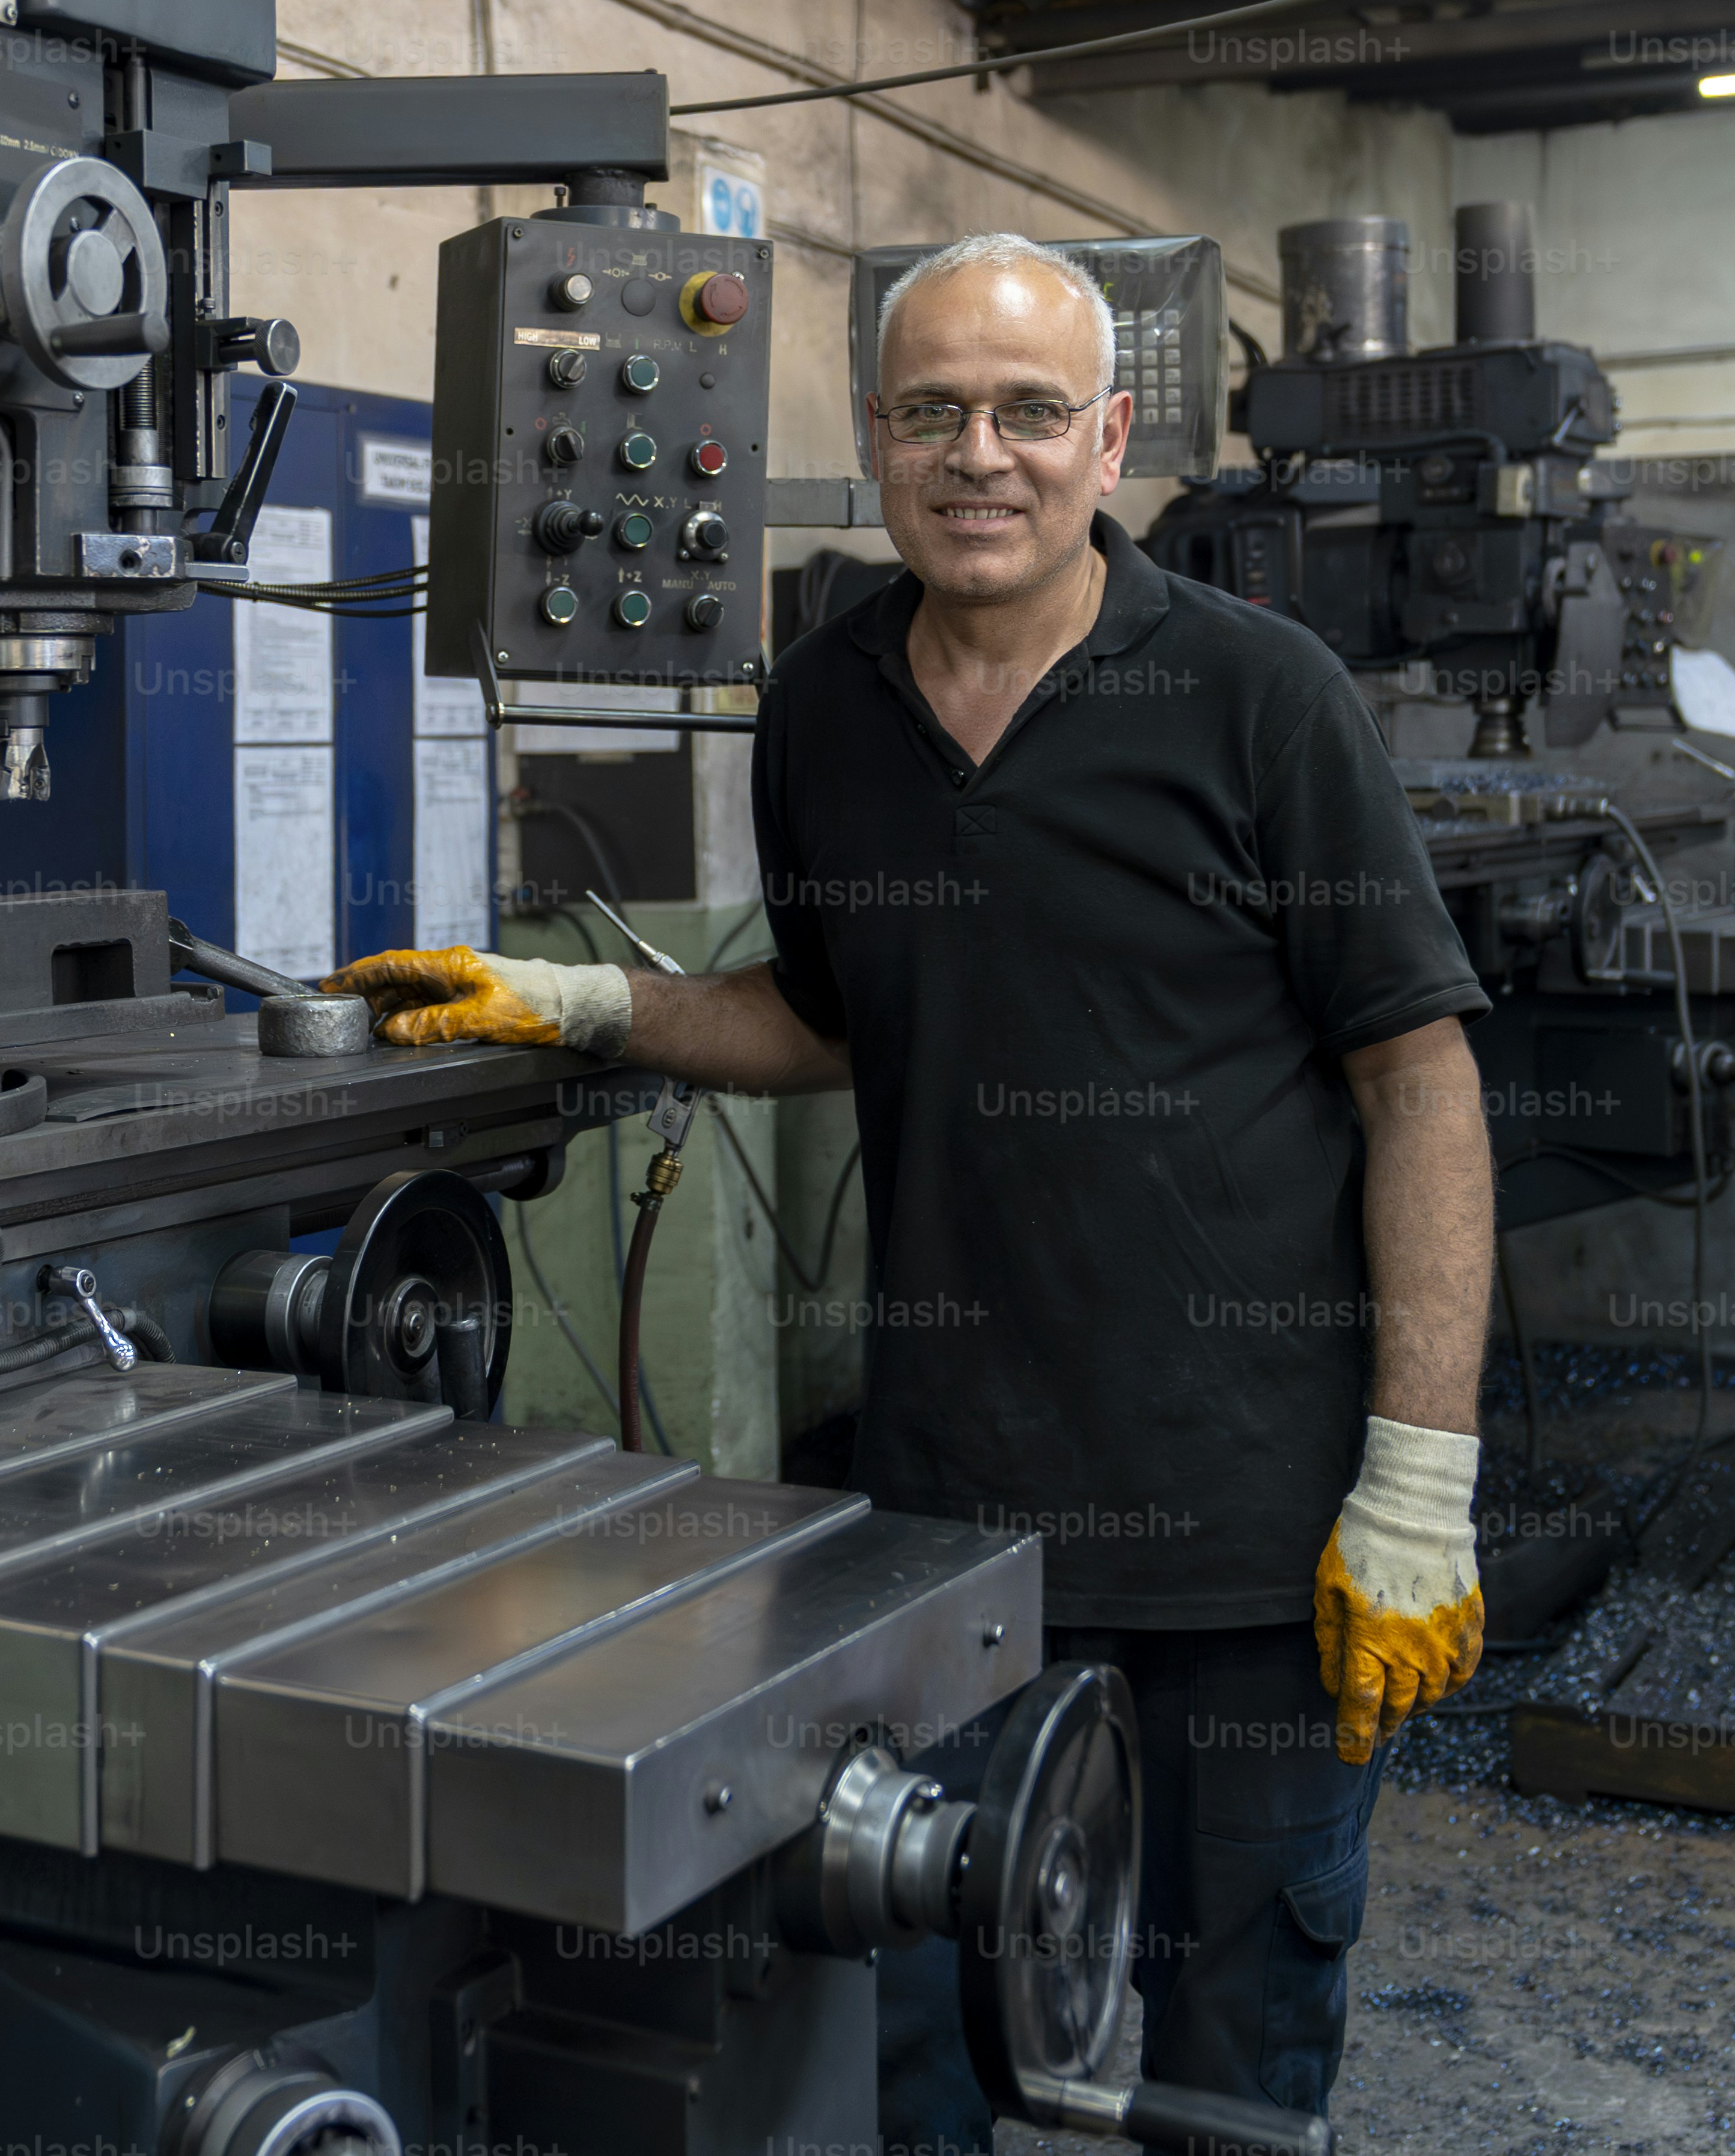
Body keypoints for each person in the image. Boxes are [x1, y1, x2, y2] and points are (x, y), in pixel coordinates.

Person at [328, 233, 1498, 2134]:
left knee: (1238, 2052)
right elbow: (830, 1009)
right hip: (948, 1531)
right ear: (874, 439)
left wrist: (1419, 1483)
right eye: (937, 411)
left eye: (1034, 413)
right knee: (913, 2034)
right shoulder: (826, 706)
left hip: (1254, 1538)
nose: (986, 455)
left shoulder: (1260, 697)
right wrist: (579, 1001)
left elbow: (1419, 1074)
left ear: (1108, 440)